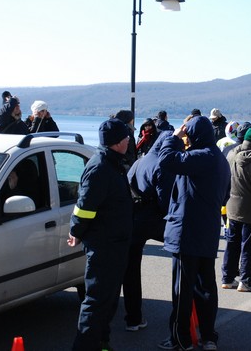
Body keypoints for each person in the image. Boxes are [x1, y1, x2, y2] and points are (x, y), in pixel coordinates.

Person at [157, 115, 230, 351]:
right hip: (207, 230)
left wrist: (173, 137)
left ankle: (180, 339)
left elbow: (166, 160)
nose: (185, 139)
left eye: (188, 134)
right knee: (205, 287)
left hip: (187, 232)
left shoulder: (201, 156)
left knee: (183, 290)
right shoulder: (219, 159)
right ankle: (209, 336)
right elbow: (225, 194)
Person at [67, 118, 133, 351]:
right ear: (116, 142)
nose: (129, 140)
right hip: (104, 246)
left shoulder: (113, 162)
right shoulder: (100, 167)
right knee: (96, 302)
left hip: (116, 243)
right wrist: (76, 231)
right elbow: (84, 207)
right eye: (126, 137)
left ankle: (101, 344)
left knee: (109, 301)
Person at [123, 131, 176, 332]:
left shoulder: (140, 160)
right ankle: (183, 316)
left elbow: (127, 184)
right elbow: (165, 202)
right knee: (183, 258)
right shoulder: (163, 164)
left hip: (133, 219)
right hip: (153, 219)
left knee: (130, 271)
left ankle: (133, 318)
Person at [221, 128, 251, 293]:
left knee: (232, 243)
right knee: (248, 245)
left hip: (232, 204)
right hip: (250, 208)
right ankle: (246, 280)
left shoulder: (231, 154)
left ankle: (227, 277)